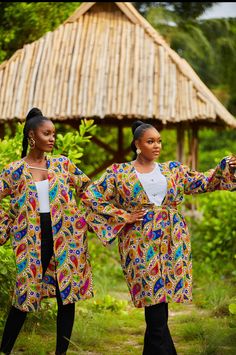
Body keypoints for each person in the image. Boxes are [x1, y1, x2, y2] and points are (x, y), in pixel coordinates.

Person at [81, 120, 236, 355]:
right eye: (151, 141)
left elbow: (204, 181)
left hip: (172, 240)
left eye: (159, 141)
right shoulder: (118, 173)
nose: (157, 146)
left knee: (160, 302)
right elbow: (91, 196)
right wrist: (124, 215)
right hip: (138, 243)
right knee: (152, 297)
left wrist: (227, 166)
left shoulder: (172, 169)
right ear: (137, 144)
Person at [0, 108, 93, 355]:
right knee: (25, 293)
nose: (53, 138)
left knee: (67, 295)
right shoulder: (15, 170)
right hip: (30, 238)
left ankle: (61, 352)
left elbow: (90, 192)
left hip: (65, 236)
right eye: (47, 133)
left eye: (54, 134)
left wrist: (92, 219)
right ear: (32, 136)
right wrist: (7, 224)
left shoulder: (63, 165)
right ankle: (4, 350)